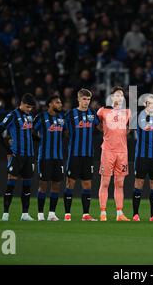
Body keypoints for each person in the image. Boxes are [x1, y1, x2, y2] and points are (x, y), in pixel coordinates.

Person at [0, 93, 37, 221]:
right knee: (11, 184)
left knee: (27, 185)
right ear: (22, 103)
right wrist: (8, 150)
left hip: (29, 156)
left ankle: (25, 214)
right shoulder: (12, 115)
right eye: (28, 107)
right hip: (17, 155)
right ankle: (5, 214)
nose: (30, 110)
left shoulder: (29, 116)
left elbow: (29, 134)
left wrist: (41, 140)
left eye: (31, 108)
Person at [63, 89, 100, 221]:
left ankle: (86, 214)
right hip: (74, 154)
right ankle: (67, 214)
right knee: (70, 183)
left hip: (88, 155)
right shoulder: (70, 114)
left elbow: (100, 127)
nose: (86, 102)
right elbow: (63, 130)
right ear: (78, 99)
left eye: (88, 99)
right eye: (84, 99)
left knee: (87, 184)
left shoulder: (92, 114)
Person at [97, 86, 131, 221]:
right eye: (117, 95)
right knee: (105, 182)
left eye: (121, 95)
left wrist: (120, 133)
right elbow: (98, 125)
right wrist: (107, 133)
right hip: (108, 150)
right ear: (111, 97)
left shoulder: (127, 112)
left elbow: (129, 128)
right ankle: (103, 213)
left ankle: (119, 213)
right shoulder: (102, 111)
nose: (119, 97)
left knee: (120, 183)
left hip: (122, 151)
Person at [132, 94, 153, 221]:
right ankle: (136, 214)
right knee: (139, 183)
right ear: (146, 104)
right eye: (150, 103)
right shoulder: (138, 117)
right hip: (142, 155)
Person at [33, 95, 65, 221]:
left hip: (58, 157)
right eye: (58, 102)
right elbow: (30, 130)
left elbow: (65, 132)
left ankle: (52, 213)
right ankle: (40, 214)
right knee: (43, 185)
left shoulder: (62, 118)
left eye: (60, 102)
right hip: (45, 157)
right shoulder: (41, 117)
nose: (60, 104)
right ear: (50, 104)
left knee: (56, 184)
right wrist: (39, 140)